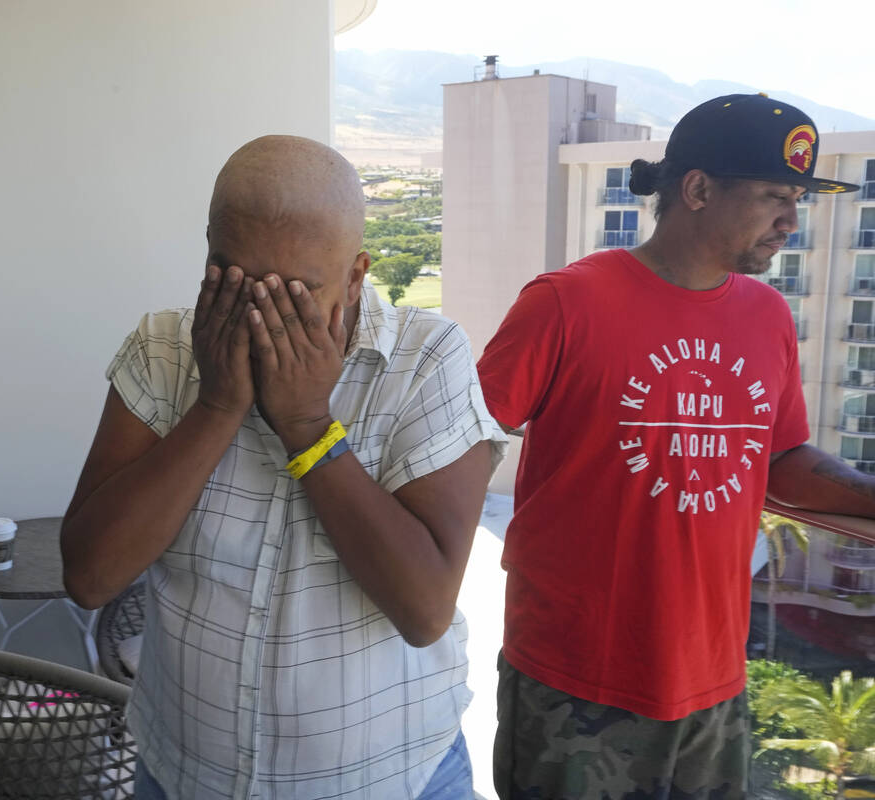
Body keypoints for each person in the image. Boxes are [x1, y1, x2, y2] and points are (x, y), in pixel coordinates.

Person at [61, 135, 507, 799]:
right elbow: (90, 576)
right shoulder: (163, 350)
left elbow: (423, 611)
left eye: (296, 292)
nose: (259, 316)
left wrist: (307, 427)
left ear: (356, 275)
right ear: (208, 248)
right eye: (232, 280)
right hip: (185, 774)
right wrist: (215, 406)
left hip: (391, 779)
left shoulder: (426, 360)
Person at [477, 93, 869, 799]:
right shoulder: (566, 303)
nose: (792, 220)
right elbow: (459, 446)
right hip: (576, 684)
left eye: (800, 200)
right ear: (695, 189)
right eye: (776, 197)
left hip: (713, 681)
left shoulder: (769, 315)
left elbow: (780, 464)